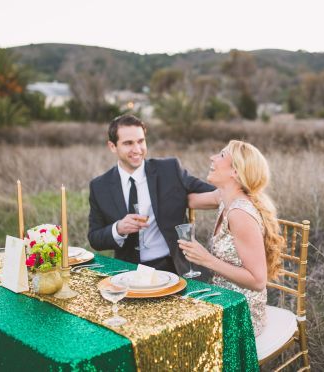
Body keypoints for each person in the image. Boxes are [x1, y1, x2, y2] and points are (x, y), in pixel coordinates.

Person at [178, 140, 284, 336]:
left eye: (221, 155)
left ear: (235, 172)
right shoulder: (224, 196)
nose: (212, 157)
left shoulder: (239, 214)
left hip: (242, 313)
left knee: (180, 333)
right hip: (223, 298)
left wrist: (206, 260)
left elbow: (257, 281)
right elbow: (189, 200)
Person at [88, 114, 215, 275]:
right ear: (112, 146)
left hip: (175, 267)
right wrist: (118, 228)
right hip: (130, 272)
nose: (137, 149)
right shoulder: (100, 186)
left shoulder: (169, 169)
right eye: (128, 143)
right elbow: (94, 238)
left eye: (141, 141)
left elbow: (209, 191)